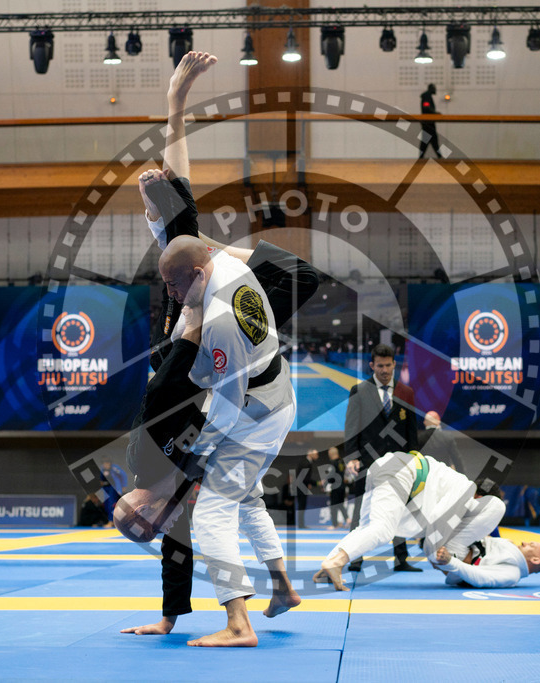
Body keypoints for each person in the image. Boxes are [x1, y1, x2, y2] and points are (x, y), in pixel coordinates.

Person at [116, 49, 319, 649]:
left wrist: (184, 332)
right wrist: (168, 618)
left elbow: (171, 385)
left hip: (195, 358)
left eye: (133, 514)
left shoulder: (145, 455)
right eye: (142, 525)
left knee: (186, 227)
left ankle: (244, 620)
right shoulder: (168, 499)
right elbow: (176, 550)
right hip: (230, 377)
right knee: (238, 495)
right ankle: (277, 588)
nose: (142, 516)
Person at [312, 450, 513, 591]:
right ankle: (336, 562)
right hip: (403, 471)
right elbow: (437, 519)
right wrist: (437, 555)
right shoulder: (465, 489)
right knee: (383, 530)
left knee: (366, 527)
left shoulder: (454, 484)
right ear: (479, 498)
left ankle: (329, 564)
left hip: (389, 467)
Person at [344, 343, 420, 572]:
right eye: (380, 366)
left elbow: (411, 432)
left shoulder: (406, 393)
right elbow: (351, 427)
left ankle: (401, 559)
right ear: (371, 366)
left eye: (388, 365)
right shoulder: (359, 390)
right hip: (367, 461)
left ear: (394, 364)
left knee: (400, 509)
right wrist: (352, 457)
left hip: (399, 463)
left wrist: (414, 459)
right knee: (361, 510)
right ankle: (354, 558)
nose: (384, 370)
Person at [434, 536, 540, 589]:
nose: (524, 542)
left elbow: (479, 578)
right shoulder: (510, 547)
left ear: (535, 560)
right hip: (462, 541)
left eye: (530, 545)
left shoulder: (512, 573)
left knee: (497, 506)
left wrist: (450, 561)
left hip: (457, 553)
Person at [295, 448, 321, 528]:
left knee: (302, 505)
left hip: (302, 486)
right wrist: (316, 483)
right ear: (310, 454)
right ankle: (301, 524)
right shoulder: (306, 463)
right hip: (301, 487)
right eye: (316, 454)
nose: (317, 456)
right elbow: (305, 478)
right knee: (301, 505)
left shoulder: (306, 462)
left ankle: (301, 524)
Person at [418, 83, 443, 159]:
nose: (435, 90)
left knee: (429, 140)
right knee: (430, 140)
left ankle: (421, 157)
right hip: (428, 123)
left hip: (428, 122)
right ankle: (439, 157)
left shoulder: (427, 96)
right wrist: (435, 113)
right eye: (434, 88)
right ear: (431, 88)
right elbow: (426, 107)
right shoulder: (427, 96)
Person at [325, 446, 348, 528]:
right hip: (342, 486)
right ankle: (348, 519)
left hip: (336, 487)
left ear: (331, 454)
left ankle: (335, 524)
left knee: (334, 506)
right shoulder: (342, 462)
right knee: (341, 505)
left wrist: (326, 483)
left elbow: (331, 476)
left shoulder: (333, 463)